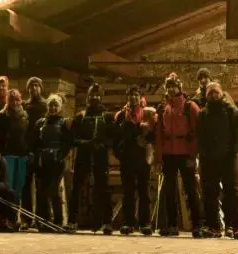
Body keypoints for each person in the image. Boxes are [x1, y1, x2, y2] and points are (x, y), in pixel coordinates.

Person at [155, 73, 204, 237]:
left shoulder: (190, 106)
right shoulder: (163, 108)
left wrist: (193, 155)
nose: (170, 89)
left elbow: (198, 132)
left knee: (191, 190)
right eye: (168, 86)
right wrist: (158, 158)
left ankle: (198, 225)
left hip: (185, 153)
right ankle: (171, 225)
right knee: (169, 191)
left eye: (173, 86)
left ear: (179, 87)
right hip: (169, 153)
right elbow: (159, 135)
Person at [196, 80, 238, 239]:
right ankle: (214, 227)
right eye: (210, 92)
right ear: (206, 95)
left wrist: (235, 152)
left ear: (221, 93)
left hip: (228, 158)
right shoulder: (203, 114)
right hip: (209, 159)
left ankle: (236, 226)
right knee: (210, 194)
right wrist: (203, 153)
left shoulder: (231, 111)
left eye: (215, 92)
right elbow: (200, 135)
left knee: (233, 192)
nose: (213, 94)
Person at [70, 83, 115, 233]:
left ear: (101, 97)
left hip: (100, 155)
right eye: (92, 95)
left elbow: (112, 137)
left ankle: (105, 222)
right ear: (88, 97)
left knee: (103, 188)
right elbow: (72, 139)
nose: (94, 97)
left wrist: (102, 144)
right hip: (84, 155)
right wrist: (87, 143)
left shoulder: (107, 117)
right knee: (77, 187)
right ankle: (72, 220)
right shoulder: (80, 117)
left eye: (97, 95)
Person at [113, 86, 153, 235]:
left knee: (144, 192)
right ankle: (128, 223)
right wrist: (120, 154)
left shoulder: (148, 113)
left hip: (143, 157)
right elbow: (116, 137)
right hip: (127, 158)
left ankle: (145, 223)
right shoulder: (121, 115)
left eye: (136, 95)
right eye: (131, 95)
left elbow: (154, 133)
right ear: (127, 98)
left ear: (140, 97)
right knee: (128, 192)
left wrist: (146, 140)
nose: (133, 98)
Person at [32, 94, 71, 230]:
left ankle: (58, 221)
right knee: (42, 191)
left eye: (56, 105)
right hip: (42, 161)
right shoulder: (40, 123)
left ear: (60, 107)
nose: (53, 108)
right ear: (47, 106)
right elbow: (35, 143)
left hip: (57, 161)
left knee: (54, 191)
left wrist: (61, 155)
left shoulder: (64, 123)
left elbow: (67, 143)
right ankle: (44, 220)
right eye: (51, 105)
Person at [0, 87, 30, 204]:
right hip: (7, 154)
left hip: (22, 155)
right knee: (8, 185)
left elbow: (27, 135)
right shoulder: (1, 116)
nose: (14, 103)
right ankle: (5, 215)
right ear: (8, 101)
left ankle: (16, 215)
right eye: (12, 100)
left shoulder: (24, 116)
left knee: (20, 185)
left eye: (17, 100)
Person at [22, 77, 46, 222]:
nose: (34, 88)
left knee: (40, 185)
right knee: (25, 185)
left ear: (40, 88)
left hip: (41, 150)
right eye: (31, 85)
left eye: (37, 85)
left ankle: (40, 218)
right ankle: (26, 217)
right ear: (28, 88)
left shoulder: (46, 106)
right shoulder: (24, 106)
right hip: (26, 149)